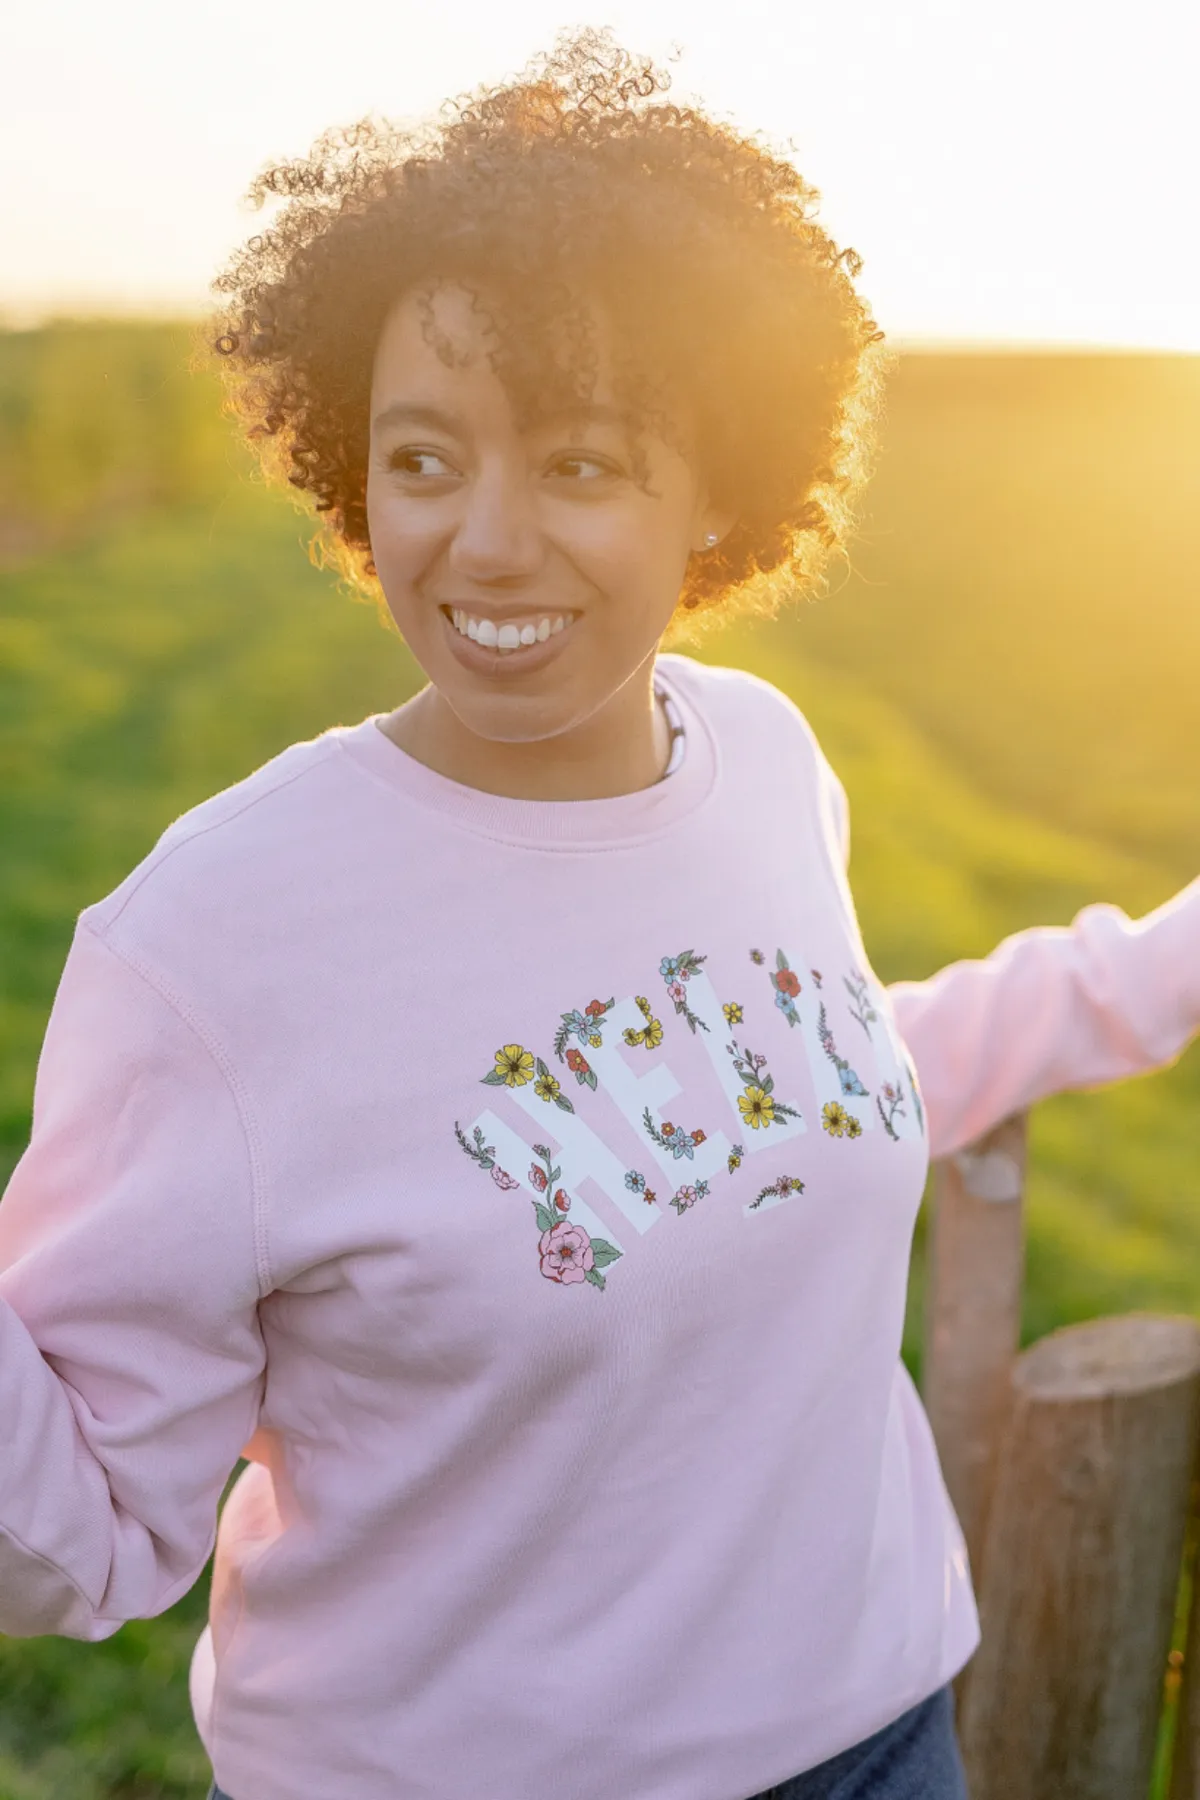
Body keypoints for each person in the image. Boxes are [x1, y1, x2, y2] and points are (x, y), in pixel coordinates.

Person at [1, 28, 1197, 1800]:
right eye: (423, 458)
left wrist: (1162, 968)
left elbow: (794, 1070)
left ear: (717, 485)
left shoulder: (768, 763)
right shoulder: (214, 947)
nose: (483, 542)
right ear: (350, 468)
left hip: (886, 1737)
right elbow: (80, 1536)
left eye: (578, 463)